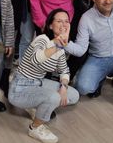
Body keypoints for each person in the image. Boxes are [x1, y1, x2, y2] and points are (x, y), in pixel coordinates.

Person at [8, 8, 79, 143]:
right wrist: (57, 45)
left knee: (73, 95)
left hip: (38, 83)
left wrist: (63, 86)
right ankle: (35, 128)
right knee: (54, 97)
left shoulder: (60, 49)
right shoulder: (42, 39)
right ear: (50, 25)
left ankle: (34, 104)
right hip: (20, 88)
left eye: (66, 21)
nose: (63, 24)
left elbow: (65, 70)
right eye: (59, 21)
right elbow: (36, 59)